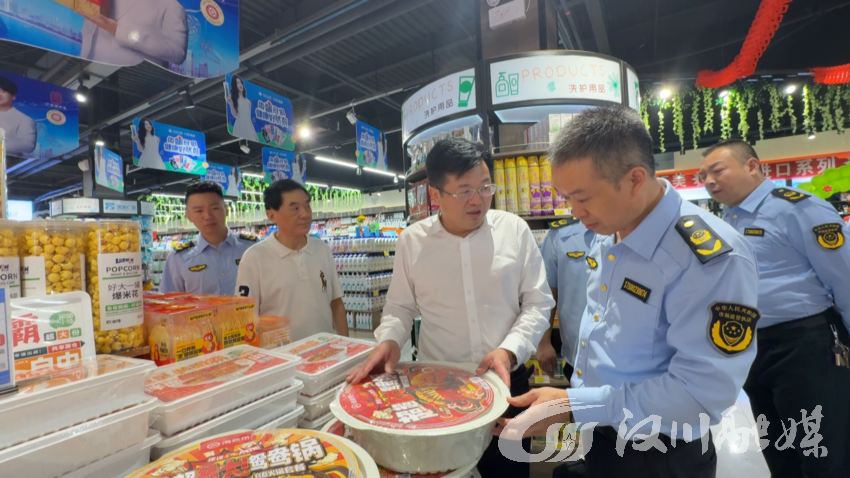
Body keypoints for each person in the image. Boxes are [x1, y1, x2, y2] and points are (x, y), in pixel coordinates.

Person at [494, 107, 760, 478]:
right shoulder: (609, 230)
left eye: (583, 197)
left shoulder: (707, 258)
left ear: (635, 179)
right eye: (567, 197)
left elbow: (699, 395)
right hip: (603, 434)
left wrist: (575, 406)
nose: (575, 211)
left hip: (659, 451)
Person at [347, 137, 555, 478]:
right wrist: (390, 340)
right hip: (437, 388)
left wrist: (508, 350)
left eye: (485, 187)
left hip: (506, 382)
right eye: (464, 191)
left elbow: (537, 301)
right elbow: (399, 307)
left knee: (508, 471)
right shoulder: (413, 241)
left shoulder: (514, 231)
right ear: (435, 194)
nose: (478, 199)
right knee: (445, 471)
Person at [699, 139, 850, 477]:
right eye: (703, 175)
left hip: (805, 346)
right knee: (779, 448)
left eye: (717, 171)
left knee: (821, 451)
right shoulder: (727, 219)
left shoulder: (797, 209)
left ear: (752, 166)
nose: (709, 181)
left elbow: (844, 276)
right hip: (754, 348)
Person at [235, 180, 348, 340]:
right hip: (280, 353)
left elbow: (336, 302)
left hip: (324, 349)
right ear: (272, 215)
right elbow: (245, 316)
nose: (305, 214)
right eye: (295, 208)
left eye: (307, 206)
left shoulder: (321, 249)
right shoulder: (254, 258)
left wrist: (346, 343)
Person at [159, 182, 257, 295]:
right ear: (189, 216)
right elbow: (170, 301)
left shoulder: (252, 248)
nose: (208, 216)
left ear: (226, 210)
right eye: (199, 211)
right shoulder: (178, 259)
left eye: (215, 208)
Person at [536, 217, 593, 379]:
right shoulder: (560, 235)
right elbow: (546, 293)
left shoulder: (628, 232)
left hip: (625, 359)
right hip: (577, 358)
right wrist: (543, 341)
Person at [77, 0, 188, 67]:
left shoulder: (171, 6)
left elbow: (178, 53)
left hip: (132, 86)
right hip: (84, 75)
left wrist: (122, 32)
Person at [0, 76, 36, 155]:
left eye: (3, 91)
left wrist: (2, 145)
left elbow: (29, 145)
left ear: (13, 96)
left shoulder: (24, 120)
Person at [226, 75, 255, 140]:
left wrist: (254, 133)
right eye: (237, 83)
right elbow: (235, 115)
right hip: (240, 126)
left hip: (248, 127)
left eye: (241, 82)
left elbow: (249, 118)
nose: (240, 85)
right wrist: (231, 103)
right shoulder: (234, 99)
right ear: (235, 85)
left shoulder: (248, 102)